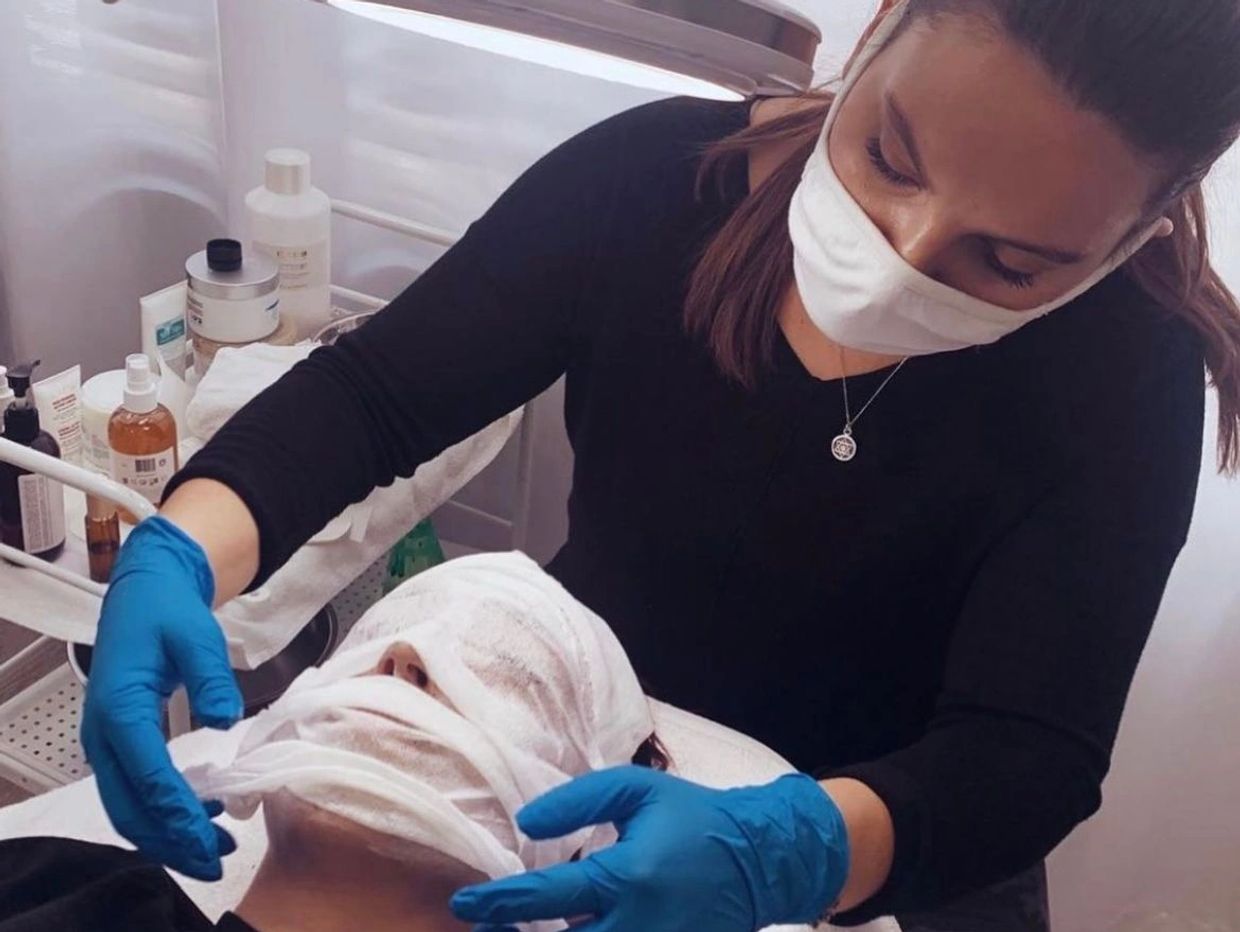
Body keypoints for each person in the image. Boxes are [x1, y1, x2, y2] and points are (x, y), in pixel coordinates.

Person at [81, 0, 1240, 929]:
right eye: (890, 154)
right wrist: (180, 549)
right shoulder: (651, 182)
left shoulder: (1122, 372)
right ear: (880, 24)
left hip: (899, 835)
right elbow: (373, 395)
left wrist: (793, 851)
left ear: (1140, 227)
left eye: (1011, 261)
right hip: (584, 739)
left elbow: (1026, 751)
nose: (904, 258)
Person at [2, 554, 680, 932]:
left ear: (578, 853)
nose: (405, 658)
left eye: (503, 672)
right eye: (385, 634)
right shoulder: (67, 886)